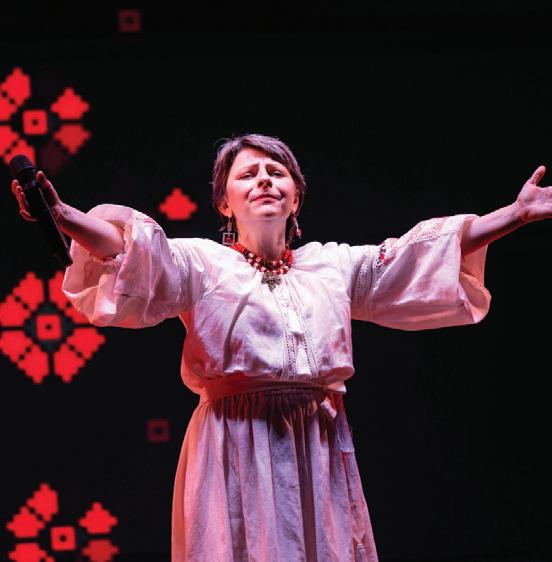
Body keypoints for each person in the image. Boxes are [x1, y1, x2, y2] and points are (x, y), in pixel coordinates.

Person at [11, 133, 552, 562]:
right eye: (247, 174)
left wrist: (516, 214)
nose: (264, 180)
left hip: (317, 443)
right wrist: (64, 217)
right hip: (235, 443)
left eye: (276, 172)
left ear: (296, 195)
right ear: (224, 202)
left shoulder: (331, 265)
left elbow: (417, 257)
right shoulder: (202, 262)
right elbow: (136, 252)